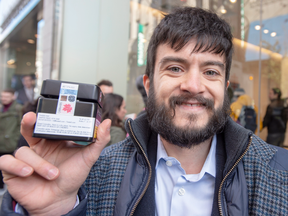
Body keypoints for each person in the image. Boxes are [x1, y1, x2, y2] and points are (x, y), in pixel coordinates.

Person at [1, 7, 288, 216]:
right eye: (175, 68)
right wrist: (52, 211)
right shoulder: (93, 174)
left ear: (224, 87)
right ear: (148, 84)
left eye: (210, 71)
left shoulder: (279, 175)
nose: (192, 85)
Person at [0, 89, 22, 194]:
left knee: (9, 166)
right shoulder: (1, 109)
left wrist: (15, 139)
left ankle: (9, 189)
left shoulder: (18, 109)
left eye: (6, 97)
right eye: (2, 96)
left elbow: (21, 126)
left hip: (11, 143)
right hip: (1, 142)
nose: (4, 99)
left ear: (13, 97)